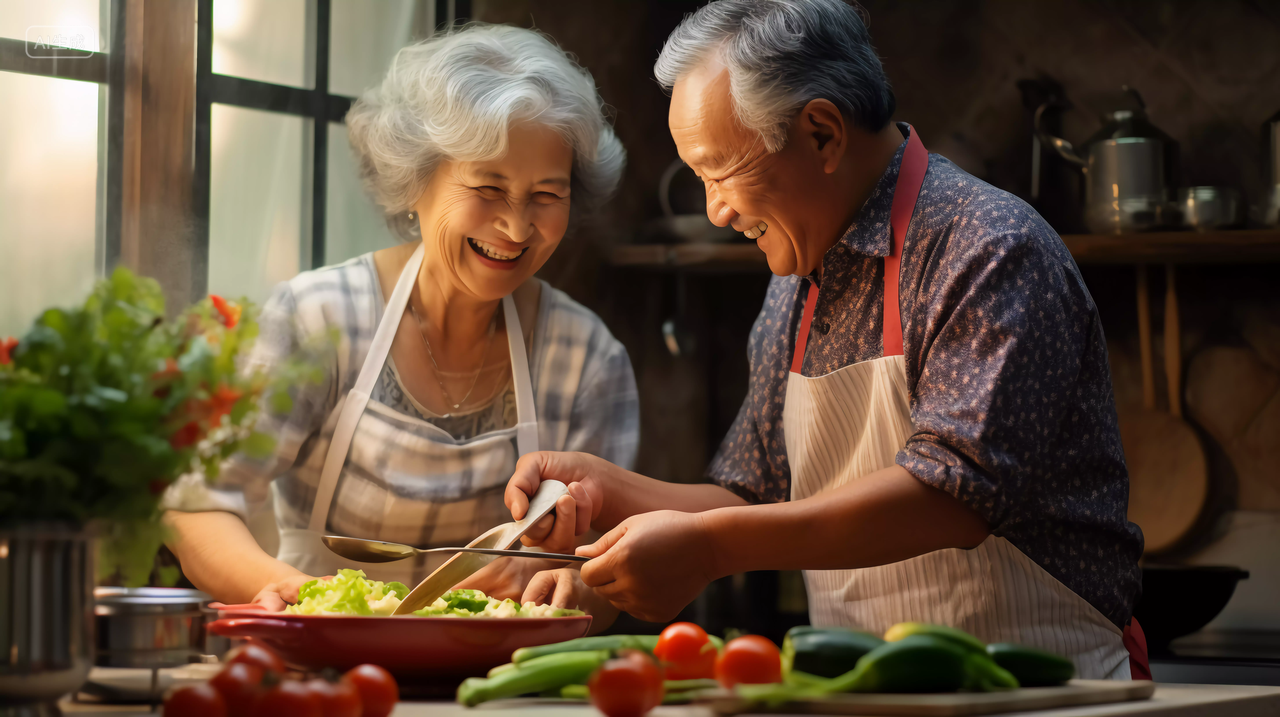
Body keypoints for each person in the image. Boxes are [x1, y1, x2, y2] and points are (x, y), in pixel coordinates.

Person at [507, 0, 1149, 680]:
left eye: (718, 172)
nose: (715, 210)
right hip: (858, 690)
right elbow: (755, 497)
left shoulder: (988, 248)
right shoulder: (794, 286)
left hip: (1045, 689)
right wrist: (611, 490)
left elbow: (953, 498)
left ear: (821, 134)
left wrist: (708, 549)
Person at [162, 24, 637, 614]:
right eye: (488, 187)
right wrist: (308, 600)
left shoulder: (587, 358)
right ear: (415, 181)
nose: (516, 227)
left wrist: (565, 578)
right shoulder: (316, 319)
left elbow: (610, 569)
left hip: (493, 689)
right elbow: (196, 505)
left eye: (546, 195)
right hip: (319, 671)